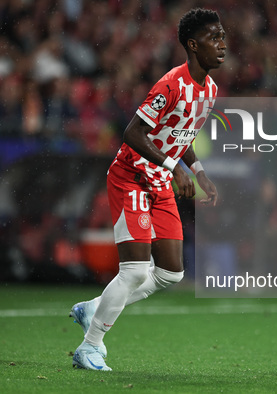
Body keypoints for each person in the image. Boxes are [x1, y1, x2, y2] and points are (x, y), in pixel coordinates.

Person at [69, 8, 225, 371]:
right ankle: (89, 346)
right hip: (132, 178)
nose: (221, 45)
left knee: (171, 273)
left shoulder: (210, 89)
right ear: (192, 44)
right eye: (213, 38)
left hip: (160, 180)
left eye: (222, 37)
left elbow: (182, 134)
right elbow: (132, 133)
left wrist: (198, 171)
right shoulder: (171, 84)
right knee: (136, 271)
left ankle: (95, 307)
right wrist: (173, 168)